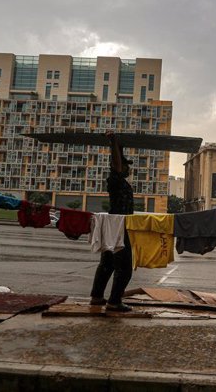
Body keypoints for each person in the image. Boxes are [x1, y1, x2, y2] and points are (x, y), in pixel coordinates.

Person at [89, 130, 135, 312]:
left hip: (112, 224)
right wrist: (113, 141)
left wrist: (118, 145)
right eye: (126, 166)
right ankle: (114, 301)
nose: (128, 169)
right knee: (124, 267)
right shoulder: (115, 179)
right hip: (117, 227)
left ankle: (97, 296)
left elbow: (118, 161)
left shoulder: (118, 181)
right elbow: (116, 164)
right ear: (120, 167)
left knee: (107, 264)